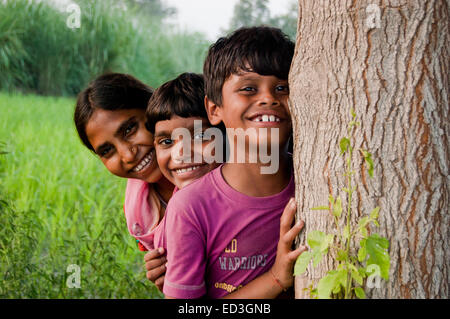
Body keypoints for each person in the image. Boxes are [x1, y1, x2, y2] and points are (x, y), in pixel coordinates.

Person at [160, 26, 307, 299]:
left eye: (282, 87)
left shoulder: (316, 180)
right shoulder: (192, 207)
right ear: (214, 110)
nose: (268, 98)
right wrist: (276, 278)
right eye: (249, 88)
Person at [74, 73, 174, 252]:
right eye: (107, 151)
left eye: (129, 129)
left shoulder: (218, 172)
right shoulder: (139, 209)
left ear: (152, 108)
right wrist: (164, 274)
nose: (128, 155)